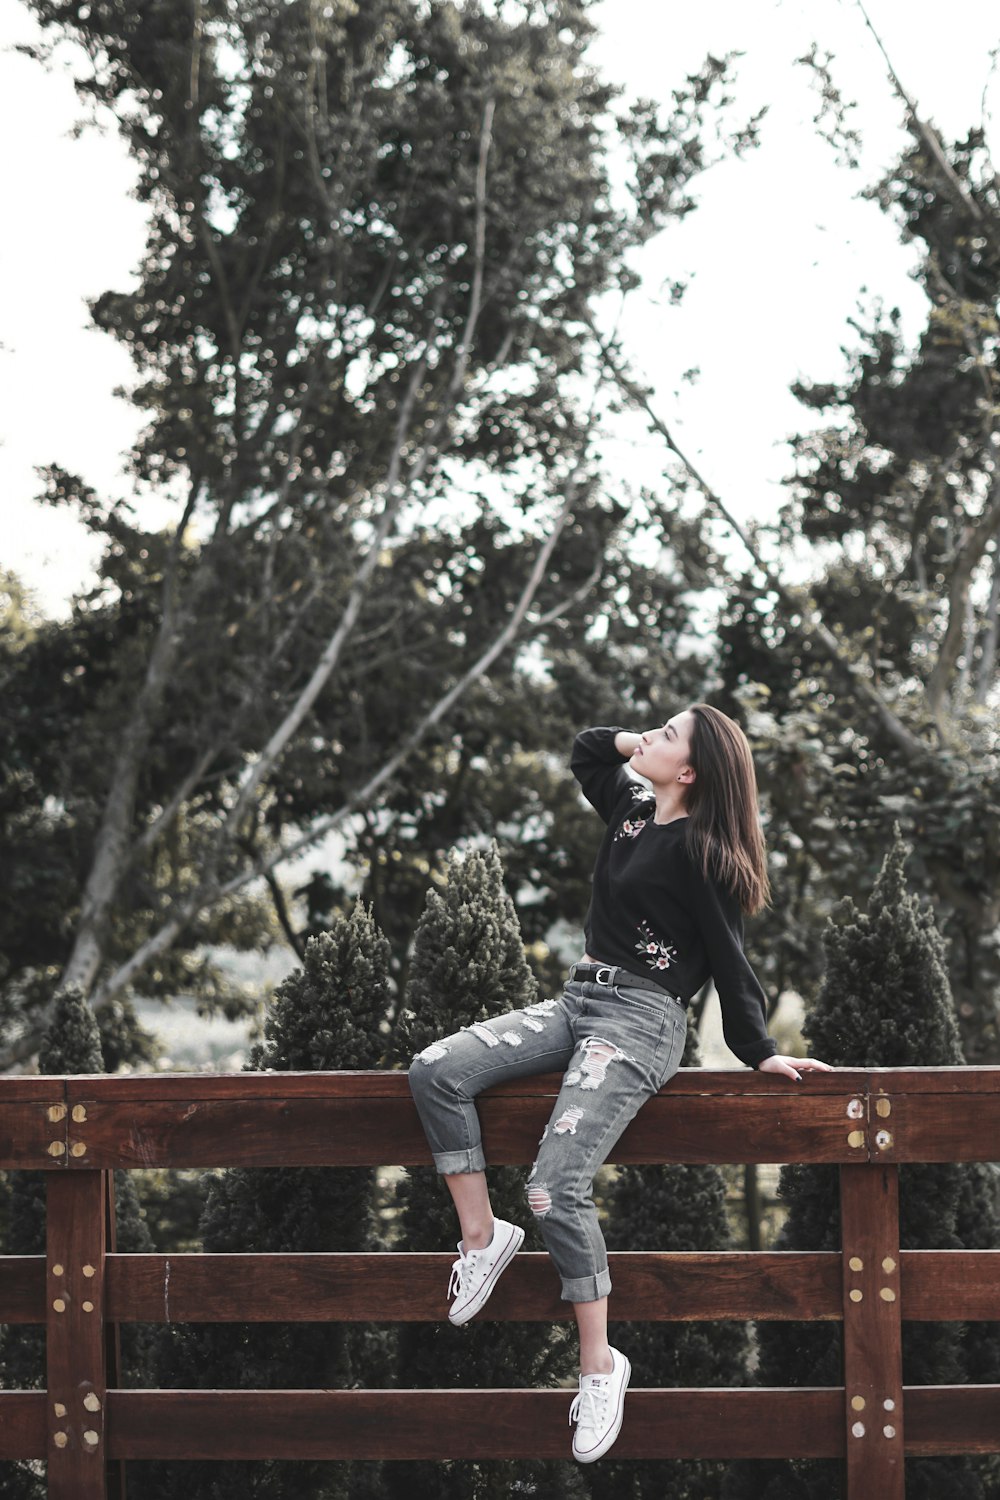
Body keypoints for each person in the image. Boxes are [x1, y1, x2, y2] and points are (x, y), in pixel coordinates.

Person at [408, 708, 832, 1463]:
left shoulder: (703, 851)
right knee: (437, 1071)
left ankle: (601, 1366)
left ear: (694, 773)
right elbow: (584, 753)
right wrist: (643, 745)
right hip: (579, 1000)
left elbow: (731, 962)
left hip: (640, 1021)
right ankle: (482, 1236)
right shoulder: (632, 813)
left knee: (553, 1186)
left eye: (670, 737)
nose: (650, 739)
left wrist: (759, 1050)